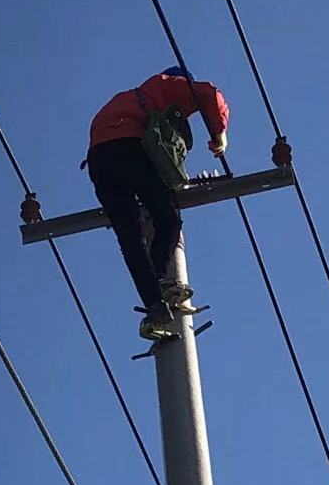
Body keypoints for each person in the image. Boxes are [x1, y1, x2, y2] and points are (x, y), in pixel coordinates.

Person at [86, 67, 229, 341]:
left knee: (130, 237)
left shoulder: (125, 99)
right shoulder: (165, 86)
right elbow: (209, 94)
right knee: (168, 218)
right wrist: (219, 133)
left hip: (99, 162)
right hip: (128, 147)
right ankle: (162, 281)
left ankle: (155, 306)